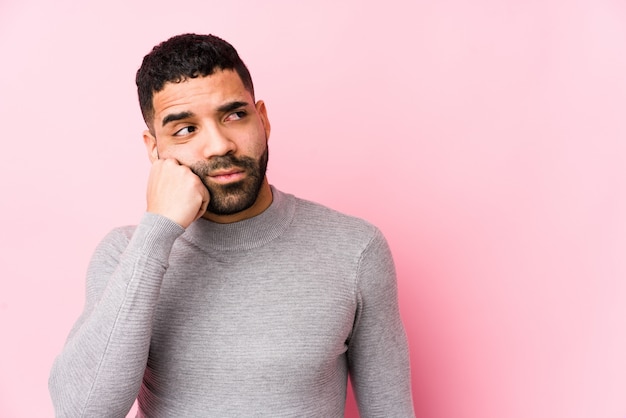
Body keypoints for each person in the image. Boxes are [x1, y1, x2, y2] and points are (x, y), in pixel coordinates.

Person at [49, 33, 415, 417]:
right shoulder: (126, 255)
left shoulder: (355, 249)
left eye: (234, 115)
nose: (219, 145)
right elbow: (81, 411)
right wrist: (156, 233)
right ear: (155, 149)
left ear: (264, 119)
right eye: (185, 129)